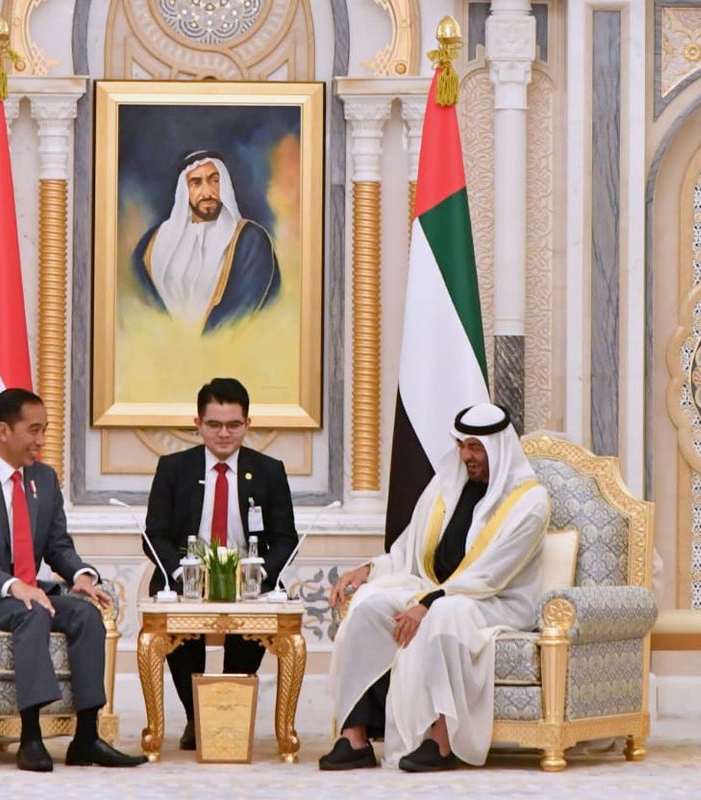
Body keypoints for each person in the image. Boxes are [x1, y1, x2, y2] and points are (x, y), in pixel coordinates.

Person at [320, 403, 550, 772]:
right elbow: (410, 549)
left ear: (498, 448)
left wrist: (429, 603)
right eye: (461, 445)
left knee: (445, 614)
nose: (466, 456)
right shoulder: (447, 486)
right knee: (368, 606)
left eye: (475, 448)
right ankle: (355, 737)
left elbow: (491, 575)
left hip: (497, 602)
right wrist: (368, 569)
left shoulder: (529, 502)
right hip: (433, 589)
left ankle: (441, 741)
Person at [0, 388, 145, 771]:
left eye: (44, 430)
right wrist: (14, 586)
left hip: (28, 590)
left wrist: (80, 575)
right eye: (33, 430)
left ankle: (86, 737)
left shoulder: (44, 479)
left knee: (85, 614)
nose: (41, 440)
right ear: (3, 431)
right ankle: (31, 737)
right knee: (30, 610)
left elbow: (58, 545)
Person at [143, 377, 298, 750]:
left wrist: (258, 573)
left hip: (250, 579)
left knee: (252, 627)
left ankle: (227, 711)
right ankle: (197, 717)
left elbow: (286, 538)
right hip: (186, 577)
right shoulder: (173, 467)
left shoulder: (269, 470)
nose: (223, 434)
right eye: (214, 425)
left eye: (233, 425)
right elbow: (154, 534)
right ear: (197, 424)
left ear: (248, 424)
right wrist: (182, 572)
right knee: (177, 628)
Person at [132, 150, 281, 333]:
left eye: (214, 181)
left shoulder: (250, 240)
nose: (207, 192)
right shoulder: (151, 245)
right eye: (196, 183)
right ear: (184, 190)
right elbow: (141, 304)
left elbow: (243, 312)